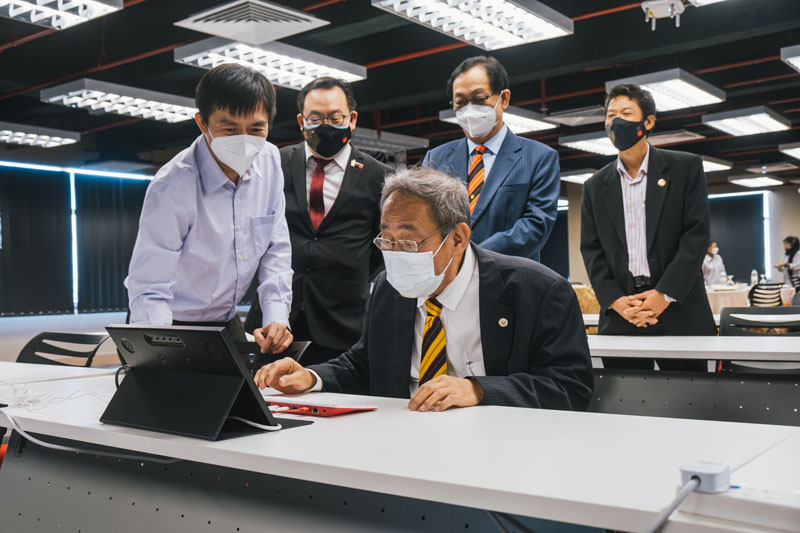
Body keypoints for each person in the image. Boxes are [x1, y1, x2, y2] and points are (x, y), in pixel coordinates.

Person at [254, 167, 593, 412]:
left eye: (409, 240)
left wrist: (478, 390)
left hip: (500, 447)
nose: (394, 254)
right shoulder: (388, 288)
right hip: (404, 439)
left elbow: (569, 388)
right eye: (386, 239)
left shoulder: (539, 290)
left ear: (457, 238)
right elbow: (363, 364)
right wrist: (311, 377)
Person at [125, 64, 292, 352]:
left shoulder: (270, 161)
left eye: (256, 129)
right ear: (202, 123)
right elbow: (150, 288)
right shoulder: (173, 186)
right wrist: (160, 353)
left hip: (226, 321)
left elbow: (275, 250)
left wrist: (277, 316)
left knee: (248, 395)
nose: (244, 141)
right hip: (169, 324)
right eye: (229, 129)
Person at [244, 77, 392, 364]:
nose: (325, 125)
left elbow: (381, 249)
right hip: (272, 322)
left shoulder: (379, 176)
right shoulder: (273, 164)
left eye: (335, 117)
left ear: (352, 119)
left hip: (343, 325)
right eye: (315, 118)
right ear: (301, 121)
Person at [580, 83, 715, 371]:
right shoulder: (595, 186)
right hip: (622, 312)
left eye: (626, 113)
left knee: (689, 403)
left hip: (679, 308)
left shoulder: (685, 168)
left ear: (649, 121)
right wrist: (616, 301)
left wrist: (663, 294)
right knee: (624, 405)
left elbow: (696, 236)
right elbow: (592, 250)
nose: (616, 121)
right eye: (610, 114)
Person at [421, 56, 559, 262]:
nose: (469, 109)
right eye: (460, 102)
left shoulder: (539, 158)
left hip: (511, 280)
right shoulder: (436, 159)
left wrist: (472, 257)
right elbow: (424, 219)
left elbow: (535, 226)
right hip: (448, 281)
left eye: (479, 99)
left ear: (503, 98)